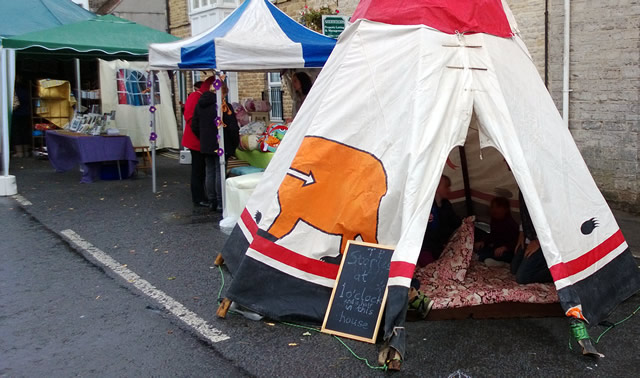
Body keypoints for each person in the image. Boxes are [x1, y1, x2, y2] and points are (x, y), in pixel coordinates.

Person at [192, 82, 240, 212]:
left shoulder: (200, 105)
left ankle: (212, 200)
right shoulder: (224, 106)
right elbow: (232, 128)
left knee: (210, 171)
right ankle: (220, 201)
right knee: (219, 171)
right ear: (222, 92)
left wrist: (203, 137)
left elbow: (194, 125)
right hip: (221, 143)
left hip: (206, 143)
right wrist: (235, 143)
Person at [183, 76, 215, 208]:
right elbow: (190, 119)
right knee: (198, 170)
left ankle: (203, 196)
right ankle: (198, 198)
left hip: (201, 138)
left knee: (203, 169)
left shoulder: (200, 96)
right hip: (196, 140)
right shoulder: (195, 97)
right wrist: (203, 135)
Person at [418, 175, 461, 267]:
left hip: (440, 246)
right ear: (436, 187)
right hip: (425, 247)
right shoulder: (425, 205)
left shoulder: (446, 205)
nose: (449, 190)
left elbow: (456, 223)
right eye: (446, 187)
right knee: (432, 268)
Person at [511, 191, 553, 284]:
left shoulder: (543, 187)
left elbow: (553, 218)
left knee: (522, 277)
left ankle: (558, 270)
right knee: (514, 269)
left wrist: (538, 241)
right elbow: (524, 213)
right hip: (529, 236)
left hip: (546, 241)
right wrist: (522, 233)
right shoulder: (523, 187)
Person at [475, 197, 519, 264]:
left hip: (508, 251)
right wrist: (483, 242)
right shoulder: (495, 220)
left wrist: (505, 247)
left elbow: (516, 242)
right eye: (492, 207)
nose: (494, 210)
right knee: (481, 250)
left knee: (504, 255)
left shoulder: (511, 223)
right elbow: (493, 235)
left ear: (505, 209)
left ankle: (500, 263)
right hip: (496, 248)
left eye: (498, 207)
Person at [11, 75, 31, 158]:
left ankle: (19, 153)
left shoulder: (13, 91)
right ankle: (25, 152)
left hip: (16, 114)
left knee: (17, 133)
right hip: (26, 113)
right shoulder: (26, 90)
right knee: (25, 132)